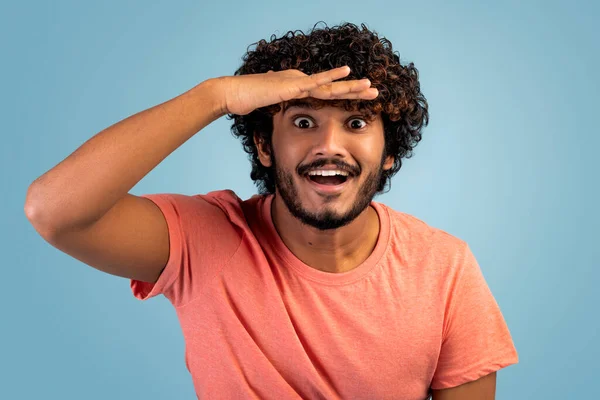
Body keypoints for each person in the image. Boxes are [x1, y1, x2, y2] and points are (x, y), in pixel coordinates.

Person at [25, 22, 518, 400]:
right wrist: (215, 96)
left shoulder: (445, 268)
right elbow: (53, 209)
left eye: (356, 122)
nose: (329, 145)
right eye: (303, 121)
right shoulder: (203, 239)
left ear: (389, 151)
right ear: (265, 146)